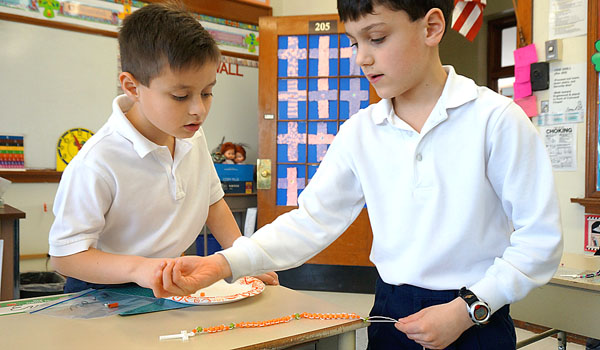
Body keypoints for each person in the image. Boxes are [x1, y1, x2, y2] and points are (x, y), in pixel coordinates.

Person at [160, 1, 563, 349]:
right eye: (354, 42)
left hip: (477, 316)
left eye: (377, 38)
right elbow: (310, 222)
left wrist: (467, 309)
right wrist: (225, 264)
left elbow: (539, 242)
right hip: (392, 311)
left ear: (431, 27)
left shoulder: (495, 120)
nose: (361, 58)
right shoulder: (361, 131)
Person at [47, 2, 277, 298]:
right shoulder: (98, 161)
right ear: (132, 87)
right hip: (103, 290)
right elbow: (65, 257)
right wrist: (138, 268)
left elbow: (212, 202)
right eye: (181, 96)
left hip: (167, 284)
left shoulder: (190, 134)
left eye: (207, 92)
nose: (199, 110)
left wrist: (242, 259)